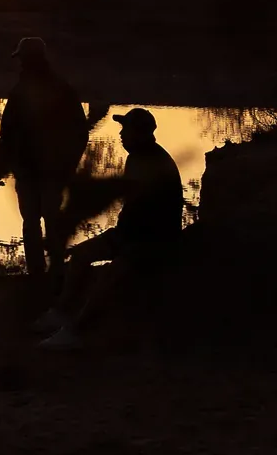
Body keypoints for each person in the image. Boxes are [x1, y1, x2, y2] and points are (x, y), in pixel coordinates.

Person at [35, 107, 186, 350]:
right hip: (130, 234)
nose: (122, 135)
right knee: (80, 256)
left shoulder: (155, 163)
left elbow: (150, 215)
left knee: (111, 275)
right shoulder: (136, 158)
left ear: (141, 133)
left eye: (126, 130)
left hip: (154, 240)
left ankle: (78, 330)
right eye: (122, 129)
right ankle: (61, 313)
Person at [0, 37, 97, 285]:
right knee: (46, 220)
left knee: (36, 221)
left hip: (39, 170)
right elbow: (80, 132)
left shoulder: (28, 91)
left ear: (28, 60)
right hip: (45, 170)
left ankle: (41, 274)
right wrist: (69, 165)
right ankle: (49, 272)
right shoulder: (59, 88)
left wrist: (1, 165)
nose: (20, 65)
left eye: (22, 59)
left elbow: (8, 134)